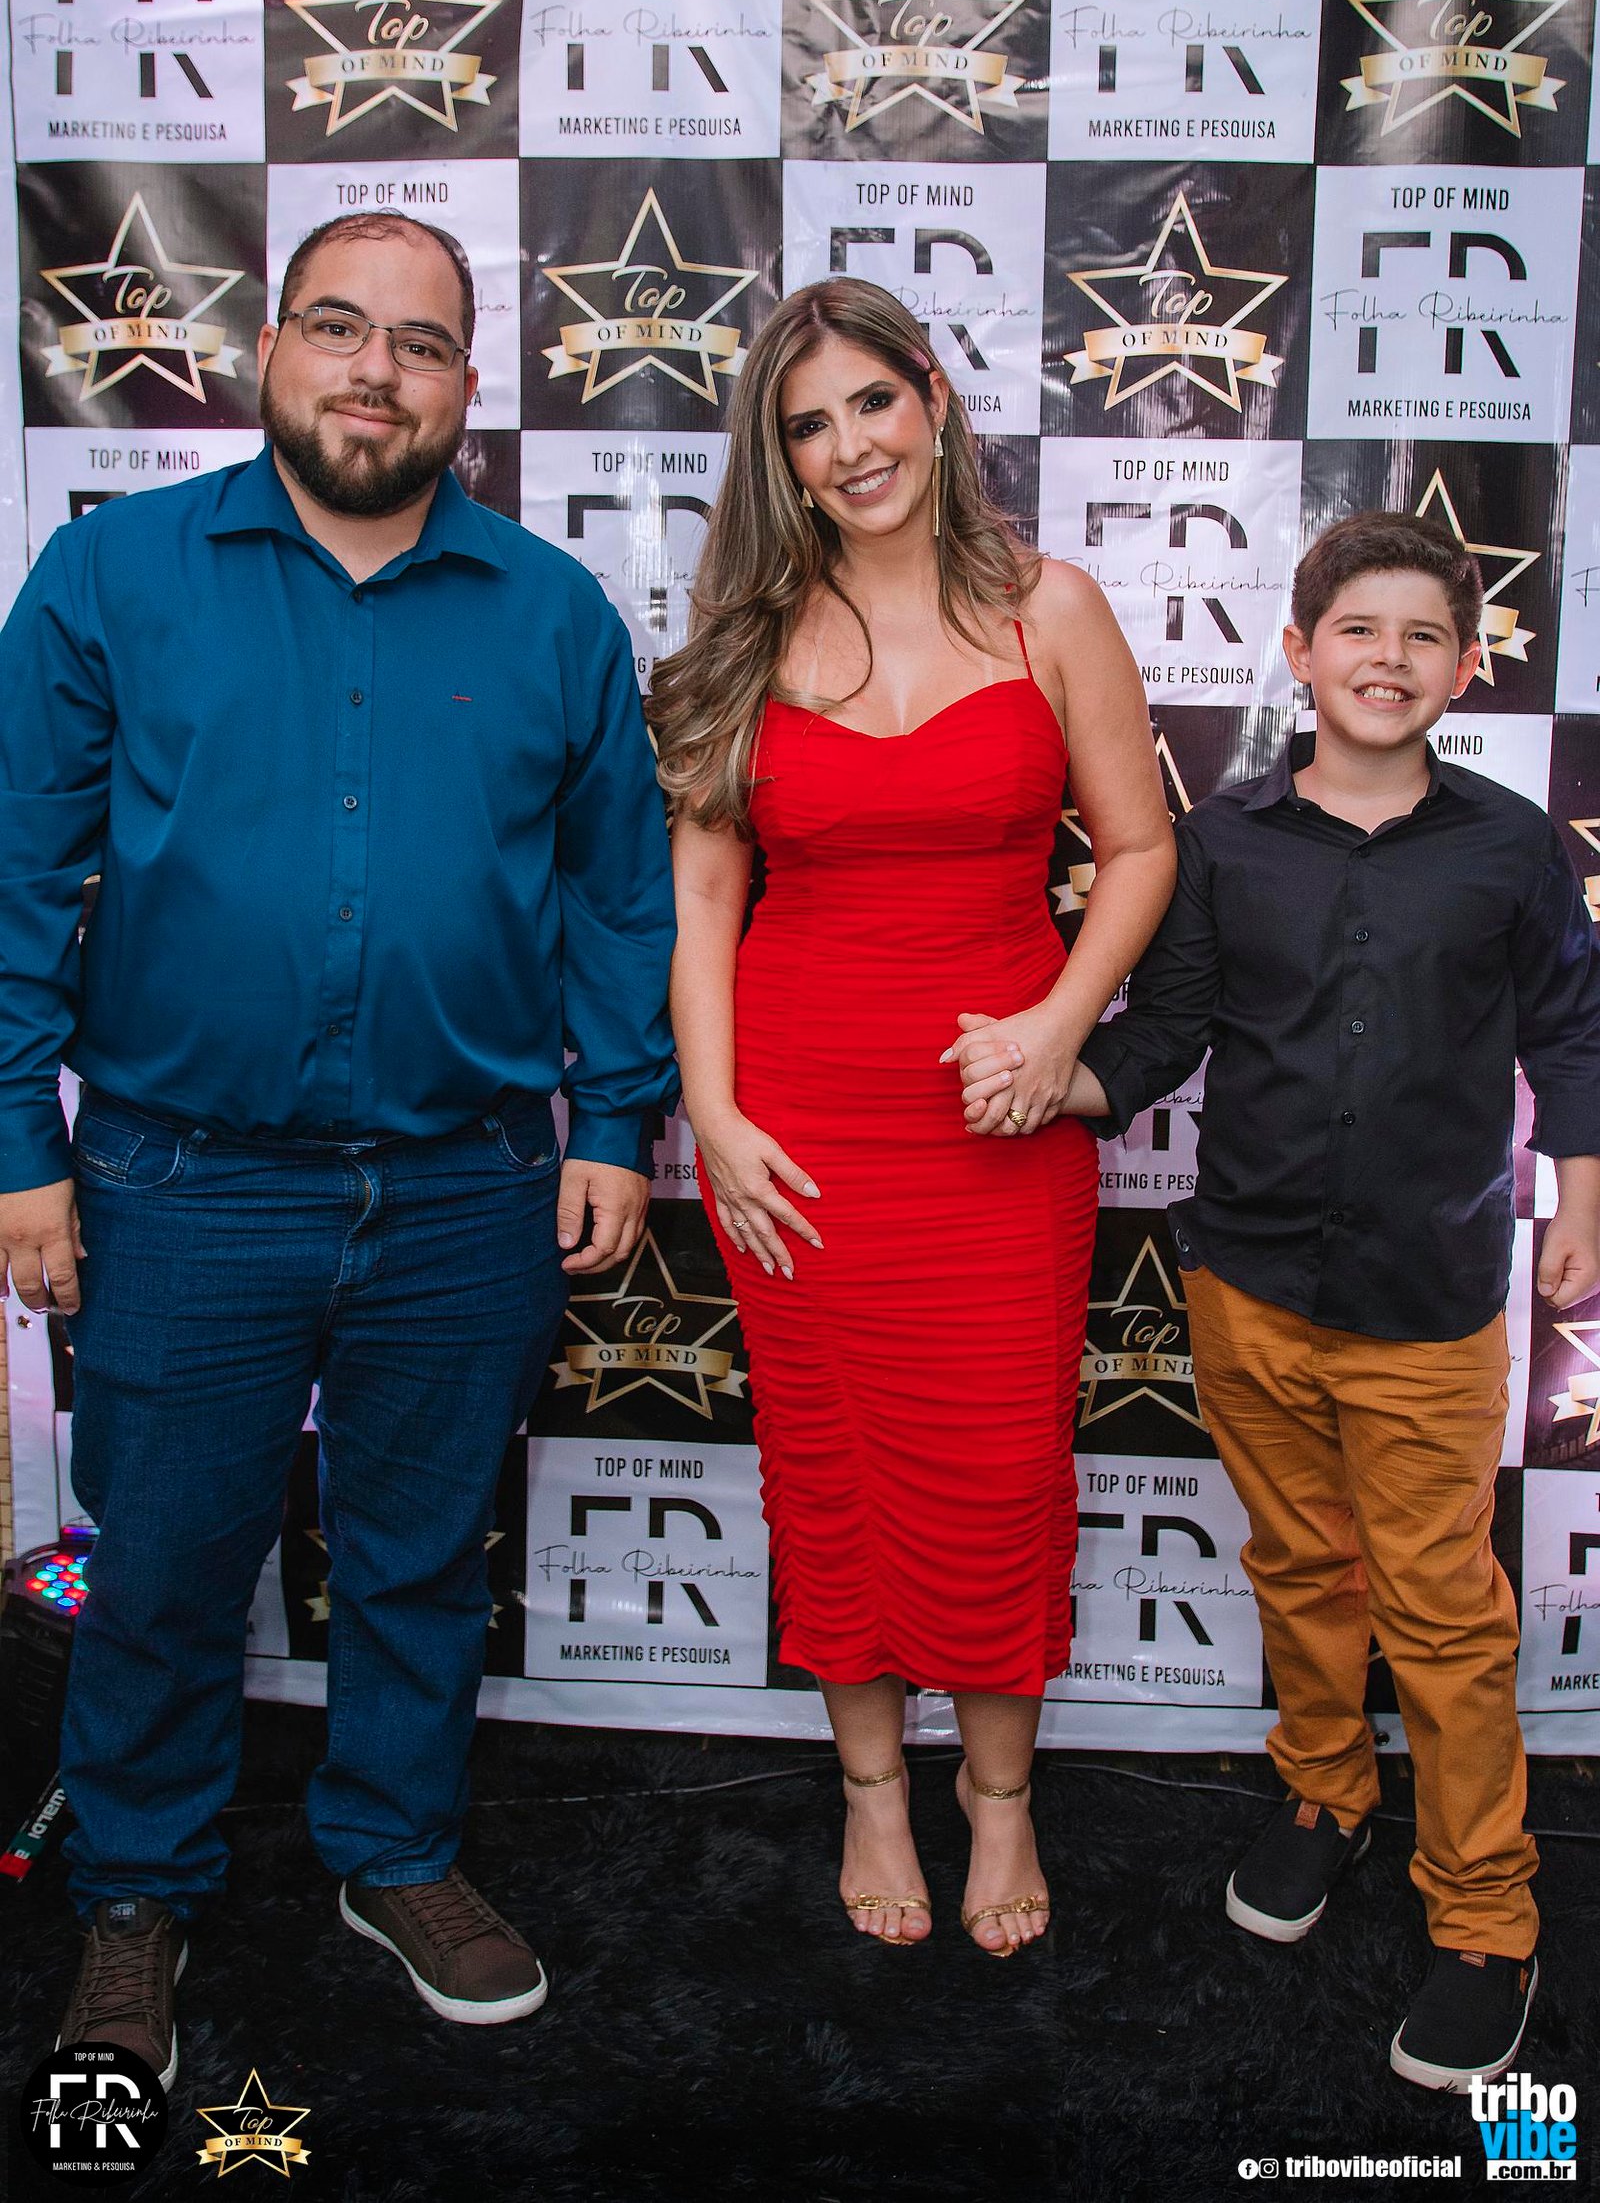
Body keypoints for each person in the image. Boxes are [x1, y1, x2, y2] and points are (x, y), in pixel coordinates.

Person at [0, 209, 676, 2084]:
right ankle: (136, 1891)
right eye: (338, 327)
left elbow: (621, 895)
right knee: (161, 1566)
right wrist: (17, 1144)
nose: (376, 371)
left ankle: (395, 1852)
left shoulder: (552, 609)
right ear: (270, 351)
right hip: (181, 1181)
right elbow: (15, 872)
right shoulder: (111, 573)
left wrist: (617, 1117)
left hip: (472, 1183)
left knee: (419, 1556)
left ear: (470, 384)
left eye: (422, 343)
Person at [960, 511, 1600, 2083]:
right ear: (1301, 653)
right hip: (1248, 1283)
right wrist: (1049, 1079)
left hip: (1431, 1300)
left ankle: (1486, 1913)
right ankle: (1324, 1793)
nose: (1390, 659)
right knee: (1300, 1566)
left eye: (1425, 636)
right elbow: (1169, 1026)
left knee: (1443, 1612)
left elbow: (1572, 1034)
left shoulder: (1513, 846)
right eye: (1358, 630)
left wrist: (1582, 1200)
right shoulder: (1227, 841)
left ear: (1467, 667)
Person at [649, 278, 1174, 1956]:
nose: (850, 445)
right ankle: (872, 1788)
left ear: (934, 401)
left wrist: (1058, 1026)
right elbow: (702, 898)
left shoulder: (1052, 608)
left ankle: (999, 1800)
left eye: (872, 401)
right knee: (830, 1470)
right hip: (799, 1134)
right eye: (809, 425)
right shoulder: (746, 637)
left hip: (1000, 1134)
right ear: (783, 459)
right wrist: (712, 1113)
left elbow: (1140, 849)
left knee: (1003, 1474)